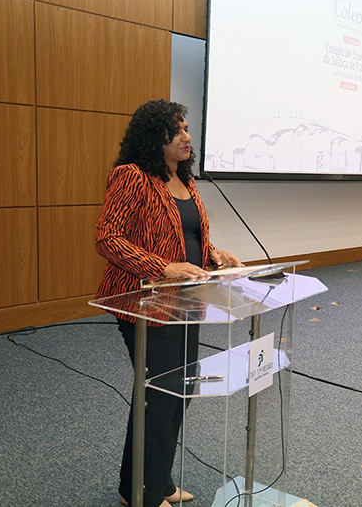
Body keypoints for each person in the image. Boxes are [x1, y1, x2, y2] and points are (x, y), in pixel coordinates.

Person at [95, 100, 241, 507]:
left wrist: (214, 253)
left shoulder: (184, 180)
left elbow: (184, 235)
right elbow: (108, 238)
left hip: (187, 301)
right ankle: (141, 491)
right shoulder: (132, 177)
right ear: (153, 138)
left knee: (178, 391)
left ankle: (152, 481)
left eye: (186, 129)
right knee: (159, 394)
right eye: (175, 131)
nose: (186, 137)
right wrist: (162, 268)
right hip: (146, 303)